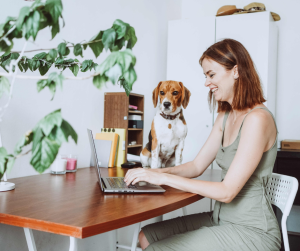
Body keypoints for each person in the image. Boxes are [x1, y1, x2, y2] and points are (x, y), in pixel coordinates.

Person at [124, 38, 281, 251]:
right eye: (206, 76)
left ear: (235, 71)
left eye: (212, 75)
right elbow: (196, 166)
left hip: (252, 230)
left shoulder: (257, 119)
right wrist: (150, 172)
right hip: (220, 218)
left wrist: (162, 177)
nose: (207, 82)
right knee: (146, 235)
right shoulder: (225, 115)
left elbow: (227, 191)